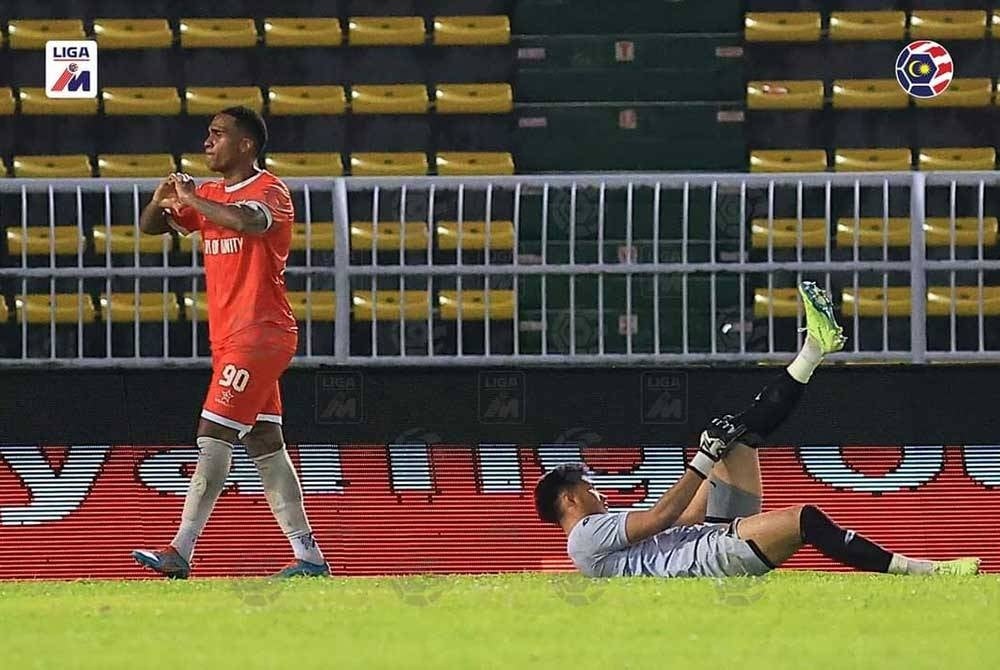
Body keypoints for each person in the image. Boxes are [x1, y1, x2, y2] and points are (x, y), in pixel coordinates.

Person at [535, 282, 980, 578]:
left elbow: (682, 518)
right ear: (569, 498)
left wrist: (715, 461)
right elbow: (663, 517)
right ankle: (924, 571)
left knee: (737, 437)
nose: (602, 492)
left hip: (703, 536)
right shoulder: (585, 535)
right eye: (591, 487)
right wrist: (703, 459)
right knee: (804, 518)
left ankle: (814, 350)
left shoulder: (599, 531)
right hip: (707, 560)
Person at [131, 106, 328, 579]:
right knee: (265, 441)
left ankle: (181, 550)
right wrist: (161, 202)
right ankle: (309, 557)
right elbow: (150, 228)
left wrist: (192, 199)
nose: (207, 142)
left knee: (213, 435)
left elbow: (247, 223)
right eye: (207, 134)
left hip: (260, 333)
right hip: (231, 337)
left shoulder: (270, 190)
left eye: (217, 135)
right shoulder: (212, 194)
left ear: (246, 145)